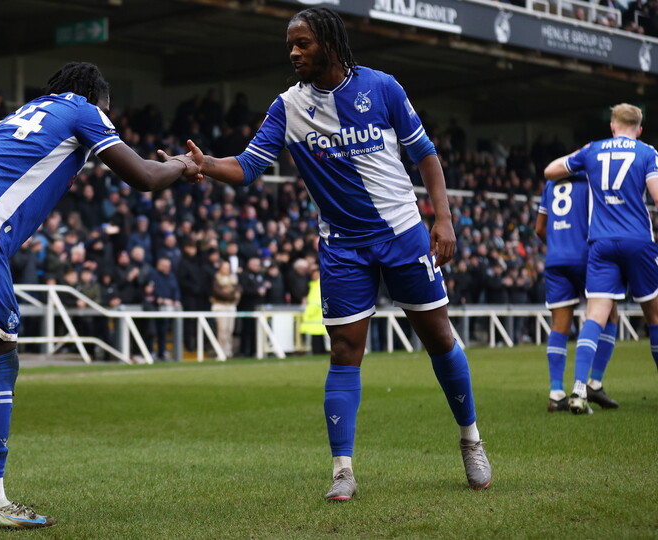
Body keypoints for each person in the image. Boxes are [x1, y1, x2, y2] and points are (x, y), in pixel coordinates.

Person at [182, 7, 491, 500]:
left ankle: (470, 439)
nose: (294, 52)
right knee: (345, 351)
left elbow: (425, 154)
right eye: (291, 44)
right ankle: (342, 470)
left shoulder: (383, 87)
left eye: (302, 43)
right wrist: (204, 165)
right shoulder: (288, 106)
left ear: (328, 42)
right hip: (343, 247)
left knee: (438, 338)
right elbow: (247, 166)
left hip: (404, 234)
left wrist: (444, 218)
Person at [0, 61, 199, 530]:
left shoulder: (23, 113)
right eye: (109, 113)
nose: (108, 121)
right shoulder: (84, 109)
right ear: (96, 99)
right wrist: (181, 165)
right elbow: (143, 178)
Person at [543, 103, 658, 414]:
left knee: (595, 315)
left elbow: (550, 171)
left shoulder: (592, 151)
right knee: (654, 316)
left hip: (601, 243)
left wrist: (580, 160)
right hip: (638, 241)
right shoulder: (647, 152)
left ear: (612, 126)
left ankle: (578, 390)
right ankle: (592, 384)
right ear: (639, 129)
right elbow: (657, 196)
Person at [535, 176, 620, 412]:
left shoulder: (551, 185)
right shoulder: (590, 182)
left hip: (555, 259)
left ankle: (556, 393)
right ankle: (592, 383)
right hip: (586, 256)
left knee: (559, 326)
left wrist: (556, 245)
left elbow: (539, 228)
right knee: (609, 313)